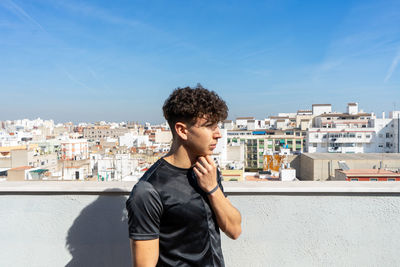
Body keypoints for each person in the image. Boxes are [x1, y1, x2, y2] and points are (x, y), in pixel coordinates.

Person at [126, 85, 242, 267]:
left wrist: (212, 188)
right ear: (182, 130)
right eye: (209, 126)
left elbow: (234, 229)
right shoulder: (148, 191)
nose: (218, 134)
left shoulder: (207, 170)